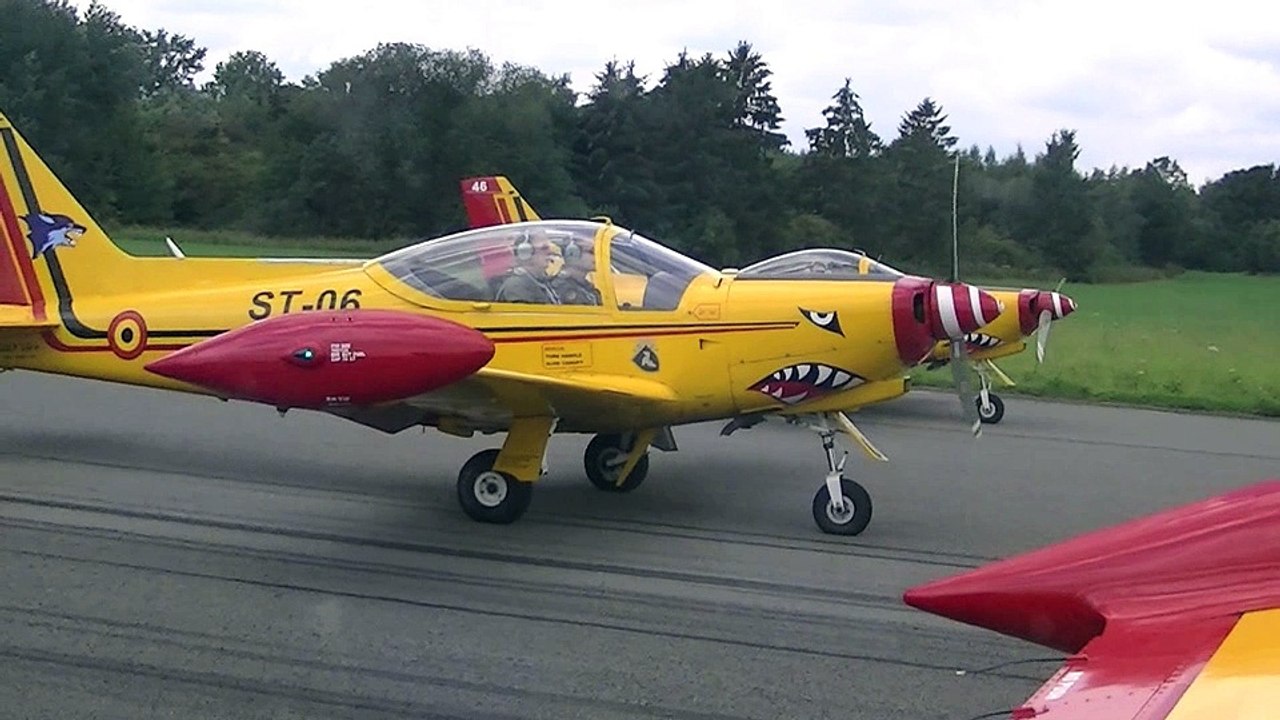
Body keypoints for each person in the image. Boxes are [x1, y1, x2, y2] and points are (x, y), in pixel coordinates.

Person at [494, 229, 560, 304]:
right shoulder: (517, 286)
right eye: (544, 248)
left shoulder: (540, 281)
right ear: (525, 253)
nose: (550, 252)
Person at [550, 236, 601, 305]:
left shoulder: (587, 287)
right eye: (591, 252)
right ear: (573, 254)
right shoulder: (562, 288)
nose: (597, 256)